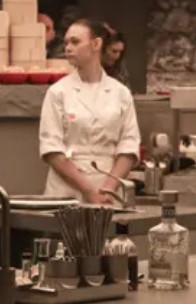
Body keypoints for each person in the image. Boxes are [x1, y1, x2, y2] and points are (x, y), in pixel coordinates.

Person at [39, 19, 141, 202]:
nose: (68, 48)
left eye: (75, 42)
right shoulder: (57, 92)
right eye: (66, 42)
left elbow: (128, 146)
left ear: (96, 44)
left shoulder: (121, 93)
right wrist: (88, 191)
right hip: (67, 191)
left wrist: (108, 189)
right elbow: (52, 150)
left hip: (109, 191)